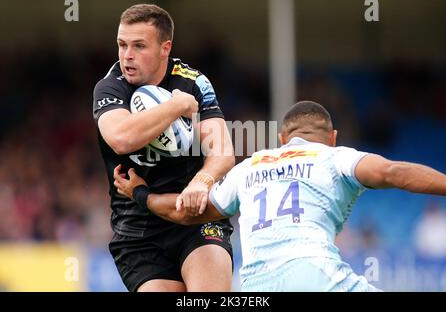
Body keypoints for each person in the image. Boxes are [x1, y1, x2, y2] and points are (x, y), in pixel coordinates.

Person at [114, 100, 446, 291]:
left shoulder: (250, 167)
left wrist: (140, 194)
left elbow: (187, 211)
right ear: (331, 137)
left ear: (282, 137)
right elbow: (391, 172)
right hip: (314, 275)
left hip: (257, 286)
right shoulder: (334, 156)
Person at [92, 4, 235, 292]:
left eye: (139, 46)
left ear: (164, 48)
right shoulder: (110, 88)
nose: (127, 56)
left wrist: (201, 181)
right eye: (121, 45)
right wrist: (175, 106)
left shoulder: (194, 82)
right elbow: (121, 138)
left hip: (196, 218)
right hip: (138, 229)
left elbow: (222, 152)